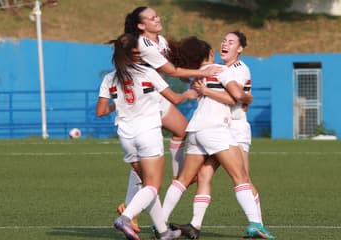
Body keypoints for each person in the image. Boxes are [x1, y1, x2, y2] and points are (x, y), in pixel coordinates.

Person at [117, 6, 222, 232]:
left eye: (157, 15)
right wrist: (201, 73)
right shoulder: (144, 45)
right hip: (144, 103)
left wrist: (192, 75)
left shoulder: (160, 41)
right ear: (141, 25)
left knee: (181, 131)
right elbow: (172, 71)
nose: (157, 19)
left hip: (154, 97)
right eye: (151, 17)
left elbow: (174, 69)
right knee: (144, 167)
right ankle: (130, 208)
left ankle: (176, 176)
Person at [159, 35, 270, 239]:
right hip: (217, 129)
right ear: (210, 53)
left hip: (198, 129)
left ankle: (163, 223)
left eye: (231, 42)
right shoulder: (221, 69)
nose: (224, 44)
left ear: (240, 49)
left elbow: (189, 82)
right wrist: (248, 96)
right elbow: (236, 95)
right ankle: (256, 223)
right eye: (223, 42)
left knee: (188, 178)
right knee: (241, 177)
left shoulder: (207, 72)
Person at [96, 33, 197, 240]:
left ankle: (163, 232)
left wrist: (121, 102)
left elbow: (101, 111)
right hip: (148, 134)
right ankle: (125, 218)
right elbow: (175, 99)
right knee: (152, 186)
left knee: (147, 187)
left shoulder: (110, 77)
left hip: (126, 137)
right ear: (135, 52)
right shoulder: (147, 73)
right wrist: (190, 94)